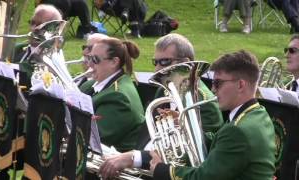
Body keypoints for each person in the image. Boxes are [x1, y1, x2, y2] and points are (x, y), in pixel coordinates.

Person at [98, 33, 224, 179]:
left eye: (164, 62)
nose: (157, 69)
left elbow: (198, 158)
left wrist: (135, 158)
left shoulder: (203, 102)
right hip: (144, 171)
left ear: (186, 62)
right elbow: (146, 139)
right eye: (155, 62)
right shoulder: (162, 91)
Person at [149, 50, 276, 180]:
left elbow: (204, 177)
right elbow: (223, 147)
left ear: (240, 85)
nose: (213, 89)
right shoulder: (259, 114)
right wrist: (186, 128)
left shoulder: (238, 130)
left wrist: (162, 170)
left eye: (218, 83)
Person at [79, 37, 145, 152]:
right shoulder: (91, 84)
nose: (89, 64)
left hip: (114, 164)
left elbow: (93, 139)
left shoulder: (119, 97)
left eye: (95, 59)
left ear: (114, 62)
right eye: (89, 58)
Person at [11, 4, 63, 79]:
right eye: (32, 23)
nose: (33, 28)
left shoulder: (55, 60)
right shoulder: (16, 49)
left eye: (41, 25)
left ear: (54, 31)